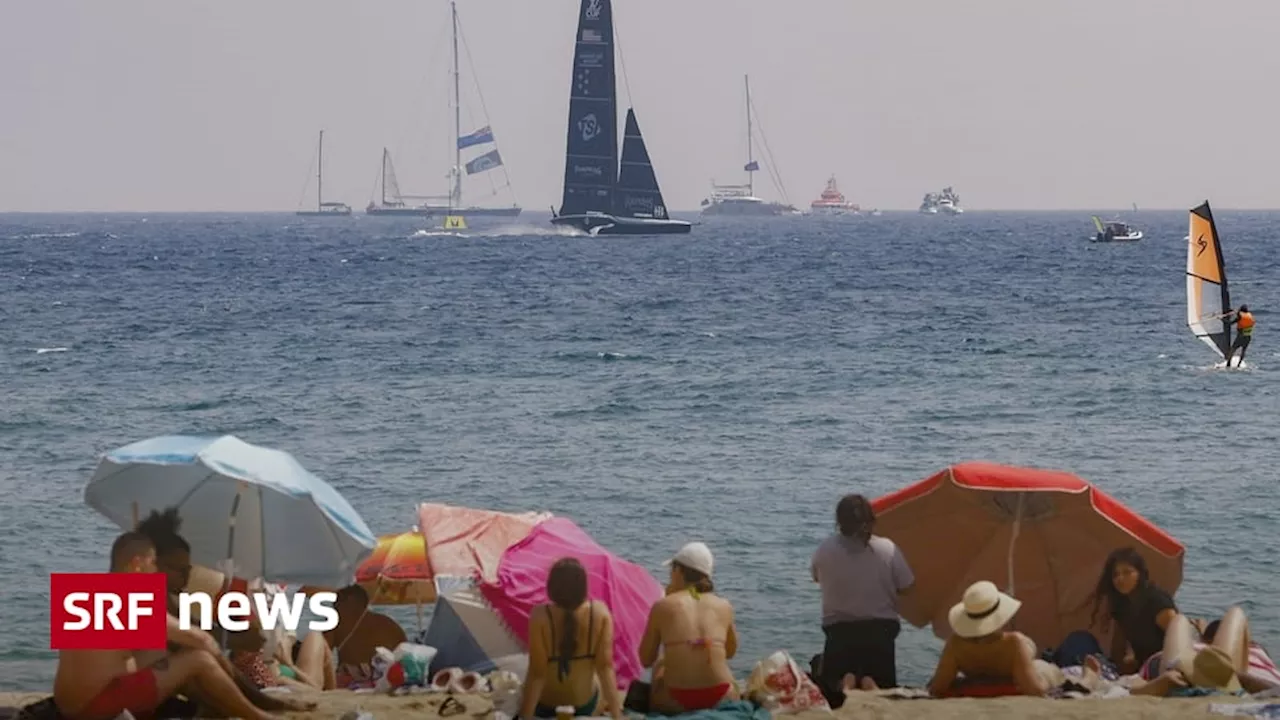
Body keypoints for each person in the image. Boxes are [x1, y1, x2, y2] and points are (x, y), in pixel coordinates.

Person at [53, 532, 278, 720]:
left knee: (164, 653)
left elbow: (118, 655)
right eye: (153, 564)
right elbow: (203, 640)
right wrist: (238, 681)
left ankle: (213, 708)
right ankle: (257, 715)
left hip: (67, 704)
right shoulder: (131, 601)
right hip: (95, 708)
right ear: (137, 565)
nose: (156, 573)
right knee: (198, 658)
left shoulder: (81, 593)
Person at [136, 509, 317, 711]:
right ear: (149, 564)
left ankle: (258, 704)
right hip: (127, 695)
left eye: (189, 570)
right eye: (179, 570)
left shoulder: (166, 598)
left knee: (207, 671)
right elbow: (199, 639)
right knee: (201, 658)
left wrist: (235, 636)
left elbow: (199, 629)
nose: (186, 577)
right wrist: (235, 640)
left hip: (155, 684)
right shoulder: (135, 597)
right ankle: (259, 711)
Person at [810, 494, 914, 703]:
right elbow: (907, 587)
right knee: (880, 678)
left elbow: (816, 578)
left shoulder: (825, 549)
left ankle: (845, 680)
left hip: (839, 631)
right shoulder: (887, 548)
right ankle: (870, 682)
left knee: (833, 678)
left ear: (839, 522)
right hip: (881, 632)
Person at [638, 542, 739, 714]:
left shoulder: (663, 605)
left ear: (679, 571)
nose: (670, 575)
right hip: (720, 696)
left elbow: (646, 659)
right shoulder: (724, 605)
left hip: (675, 700)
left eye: (671, 570)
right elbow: (729, 652)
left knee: (660, 666)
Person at [517, 558, 623, 719]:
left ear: (552, 586)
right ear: (583, 586)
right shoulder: (600, 612)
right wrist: (617, 715)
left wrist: (525, 716)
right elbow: (605, 668)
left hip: (545, 706)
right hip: (584, 705)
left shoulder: (540, 615)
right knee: (597, 675)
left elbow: (537, 673)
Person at [927, 580, 1063, 697]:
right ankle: (1084, 676)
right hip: (1014, 674)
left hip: (976, 675)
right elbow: (1034, 690)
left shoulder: (956, 644)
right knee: (1046, 667)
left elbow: (938, 688)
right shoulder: (1013, 643)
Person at [1089, 547, 1177, 674]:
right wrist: (1121, 668)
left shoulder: (1157, 602)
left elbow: (1180, 642)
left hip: (1165, 666)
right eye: (1115, 575)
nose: (1120, 578)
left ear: (1140, 573)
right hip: (1142, 668)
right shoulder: (1122, 604)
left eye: (1127, 572)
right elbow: (1118, 648)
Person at [324, 584, 407, 686]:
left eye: (336, 601)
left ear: (347, 602)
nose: (334, 606)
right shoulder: (390, 625)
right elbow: (405, 657)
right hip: (385, 679)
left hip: (350, 681)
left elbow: (322, 656)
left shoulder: (336, 622)